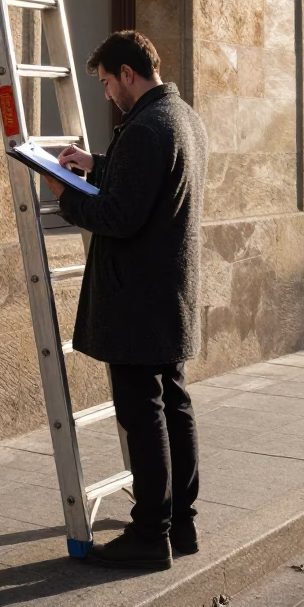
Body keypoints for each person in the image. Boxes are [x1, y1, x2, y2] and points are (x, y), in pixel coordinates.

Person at [44, 30, 208, 571]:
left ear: (128, 74)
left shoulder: (145, 128)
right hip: (170, 291)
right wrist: (95, 163)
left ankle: (149, 535)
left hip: (139, 297)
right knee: (174, 403)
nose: (107, 93)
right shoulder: (182, 116)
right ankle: (181, 523)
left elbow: (118, 216)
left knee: (145, 413)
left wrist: (66, 195)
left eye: (108, 81)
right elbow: (150, 184)